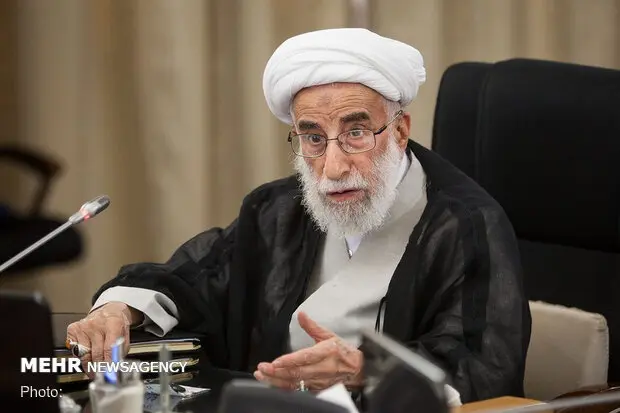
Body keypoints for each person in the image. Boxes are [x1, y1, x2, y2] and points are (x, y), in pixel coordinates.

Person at [67, 28, 531, 404]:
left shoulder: (468, 225)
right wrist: (118, 309)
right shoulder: (275, 209)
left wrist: (365, 370)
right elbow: (194, 278)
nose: (333, 167)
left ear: (400, 130)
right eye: (313, 138)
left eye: (356, 132)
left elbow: (485, 367)